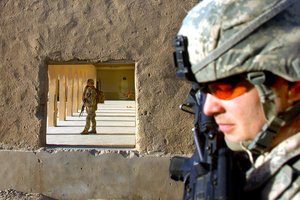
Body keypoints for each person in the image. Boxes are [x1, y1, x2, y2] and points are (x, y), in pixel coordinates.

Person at [175, 0, 300, 199]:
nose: (208, 108)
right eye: (205, 90)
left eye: (225, 88)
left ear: (293, 87)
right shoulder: (264, 160)